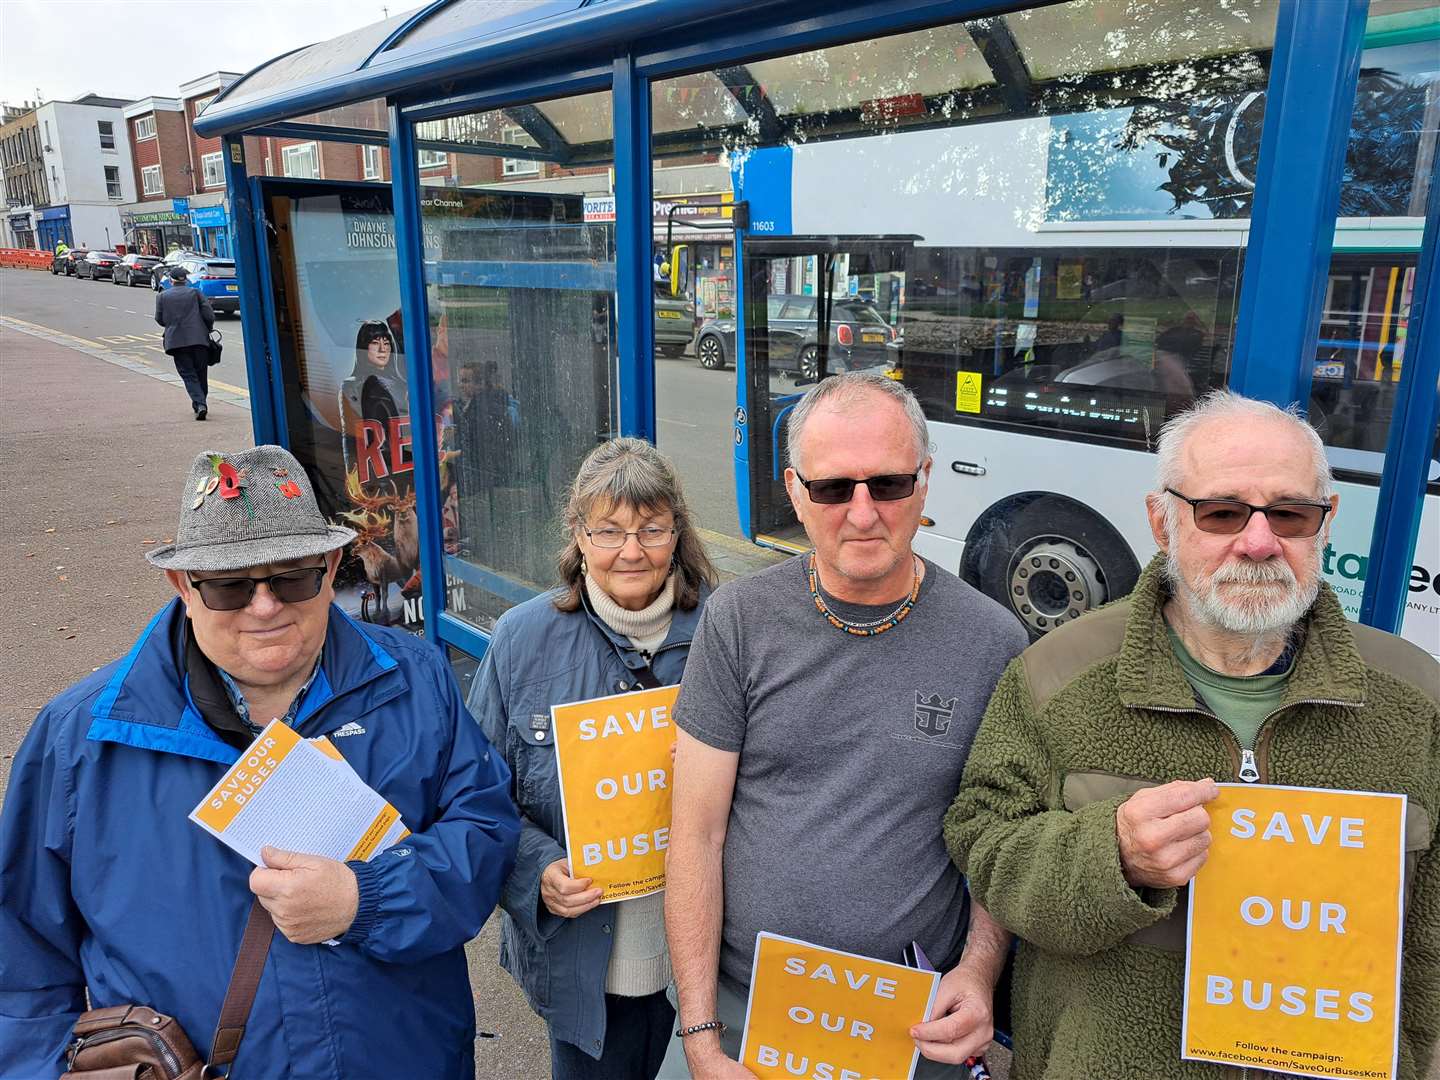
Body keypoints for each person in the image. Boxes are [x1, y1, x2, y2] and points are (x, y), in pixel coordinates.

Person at [945, 390, 1440, 1079]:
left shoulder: (1418, 699)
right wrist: (1109, 855)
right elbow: (985, 845)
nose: (1259, 541)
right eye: (1222, 512)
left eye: (1290, 513)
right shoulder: (1057, 677)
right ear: (1161, 521)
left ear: (1325, 525)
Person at [0, 444, 522, 1079]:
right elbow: (19, 970)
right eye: (229, 585)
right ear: (182, 585)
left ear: (333, 566)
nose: (266, 605)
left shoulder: (417, 680)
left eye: (292, 575)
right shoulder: (80, 740)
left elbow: (487, 833)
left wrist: (369, 899)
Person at [666, 372, 1028, 1078]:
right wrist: (701, 1036)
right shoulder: (739, 621)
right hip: (747, 1006)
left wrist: (980, 973)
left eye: (887, 485)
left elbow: (1002, 836)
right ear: (796, 491)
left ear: (924, 482)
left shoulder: (992, 641)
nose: (862, 513)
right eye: (834, 489)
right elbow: (696, 833)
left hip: (913, 1018)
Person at [469, 438, 717, 1080]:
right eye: (608, 531)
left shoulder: (730, 631)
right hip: (582, 958)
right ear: (578, 536)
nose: (631, 551)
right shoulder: (522, 640)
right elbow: (472, 794)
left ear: (677, 533)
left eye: (650, 529)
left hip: (709, 959)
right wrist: (537, 871)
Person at [154, 263, 215, 420]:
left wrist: (172, 325)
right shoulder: (196, 293)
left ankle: (200, 404)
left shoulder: (162, 296)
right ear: (185, 280)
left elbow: (160, 319)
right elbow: (209, 315)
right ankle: (200, 402)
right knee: (201, 373)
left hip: (177, 342)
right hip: (199, 340)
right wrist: (206, 329)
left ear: (171, 280)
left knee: (188, 375)